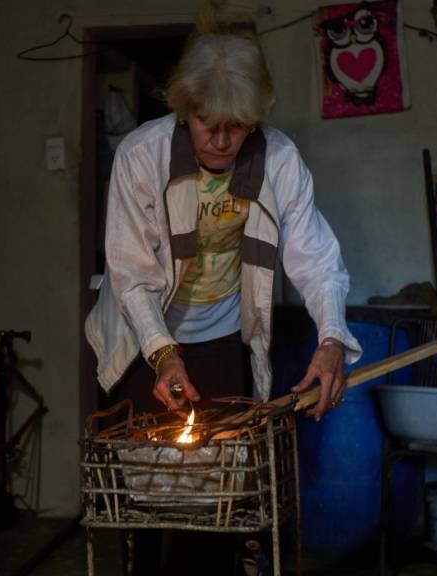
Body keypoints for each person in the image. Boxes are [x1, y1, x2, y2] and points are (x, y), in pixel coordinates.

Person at [85, 3, 362, 425]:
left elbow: (318, 260)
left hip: (222, 334)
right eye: (205, 122)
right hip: (142, 336)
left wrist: (331, 339)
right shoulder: (142, 157)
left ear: (254, 120)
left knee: (220, 474)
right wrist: (163, 353)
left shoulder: (280, 161)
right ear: (183, 110)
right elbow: (131, 273)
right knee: (144, 471)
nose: (220, 140)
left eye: (235, 125)